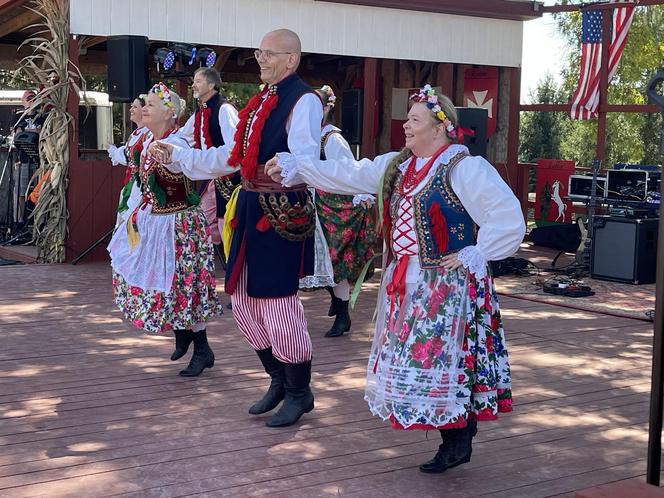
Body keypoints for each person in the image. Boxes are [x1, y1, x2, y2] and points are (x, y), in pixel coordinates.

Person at [266, 84, 525, 471]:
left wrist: (478, 252)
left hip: (446, 285)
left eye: (415, 120)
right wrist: (299, 167)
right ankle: (455, 433)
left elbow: (506, 213)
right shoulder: (397, 166)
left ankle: (456, 438)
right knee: (418, 358)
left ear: (439, 128)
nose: (406, 125)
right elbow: (350, 173)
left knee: (441, 359)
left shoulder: (463, 167)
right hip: (406, 280)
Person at [151, 29, 322, 427]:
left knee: (278, 304)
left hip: (280, 208)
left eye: (268, 53)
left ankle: (300, 391)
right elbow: (231, 157)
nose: (259, 59)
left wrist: (288, 166)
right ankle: (278, 380)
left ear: (292, 59)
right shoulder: (262, 99)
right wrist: (181, 156)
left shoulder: (304, 100)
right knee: (243, 301)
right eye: (258, 52)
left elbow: (305, 159)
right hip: (248, 203)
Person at [108, 82, 222, 377]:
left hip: (180, 224)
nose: (144, 108)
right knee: (166, 281)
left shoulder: (178, 146)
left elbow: (198, 169)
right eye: (143, 103)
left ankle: (202, 348)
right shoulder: (147, 139)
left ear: (169, 113)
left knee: (185, 285)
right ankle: (183, 335)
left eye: (150, 105)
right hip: (157, 219)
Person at [301, 84, 378, 337]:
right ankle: (337, 301)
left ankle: (343, 314)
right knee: (313, 261)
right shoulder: (307, 136)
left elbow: (348, 171)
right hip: (310, 206)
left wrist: (361, 196)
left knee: (332, 262)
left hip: (330, 207)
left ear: (325, 109)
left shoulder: (332, 138)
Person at [178, 67, 239, 245]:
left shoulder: (224, 109)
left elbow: (234, 148)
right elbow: (183, 136)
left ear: (211, 84)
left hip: (230, 179)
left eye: (198, 81)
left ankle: (234, 267)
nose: (194, 85)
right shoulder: (200, 112)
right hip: (213, 178)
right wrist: (165, 145)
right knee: (202, 220)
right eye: (194, 82)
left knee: (227, 223)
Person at [107, 96, 149, 224]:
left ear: (144, 110)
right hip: (131, 183)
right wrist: (114, 151)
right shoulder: (136, 133)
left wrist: (115, 152)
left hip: (140, 185)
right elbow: (127, 155)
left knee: (132, 220)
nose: (131, 109)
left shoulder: (148, 133)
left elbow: (129, 157)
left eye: (135, 107)